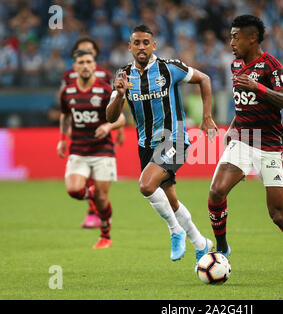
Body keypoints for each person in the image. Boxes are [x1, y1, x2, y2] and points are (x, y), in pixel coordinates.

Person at [207, 15, 283, 284]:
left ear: (252, 39)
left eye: (236, 37)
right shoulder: (236, 65)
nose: (231, 41)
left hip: (271, 147)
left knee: (278, 215)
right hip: (244, 140)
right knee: (216, 191)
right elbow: (243, 102)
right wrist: (234, 126)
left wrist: (258, 86)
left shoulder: (272, 66)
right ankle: (222, 247)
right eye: (231, 36)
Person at [106, 25, 218, 267]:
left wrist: (207, 116)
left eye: (146, 42)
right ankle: (201, 244)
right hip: (146, 145)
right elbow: (110, 117)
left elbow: (204, 79)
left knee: (146, 185)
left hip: (174, 140)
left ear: (154, 45)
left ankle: (175, 231)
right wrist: (118, 95)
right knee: (170, 199)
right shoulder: (123, 76)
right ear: (130, 47)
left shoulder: (169, 68)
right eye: (136, 43)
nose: (142, 47)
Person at [57, 49, 126, 249]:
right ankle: (92, 193)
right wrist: (62, 139)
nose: (86, 65)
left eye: (89, 61)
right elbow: (65, 117)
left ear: (95, 65)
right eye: (81, 62)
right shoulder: (67, 92)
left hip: (103, 150)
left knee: (103, 200)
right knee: (73, 190)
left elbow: (121, 118)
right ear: (75, 67)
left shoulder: (104, 90)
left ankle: (105, 235)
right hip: (78, 149)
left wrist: (108, 126)